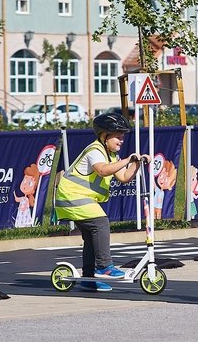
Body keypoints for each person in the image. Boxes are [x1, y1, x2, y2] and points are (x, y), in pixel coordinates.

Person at [54, 113, 146, 292]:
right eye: (118, 137)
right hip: (72, 197)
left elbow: (124, 177)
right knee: (101, 223)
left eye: (123, 137)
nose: (121, 141)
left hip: (81, 199)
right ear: (104, 136)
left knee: (90, 237)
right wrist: (128, 160)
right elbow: (103, 171)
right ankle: (104, 266)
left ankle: (89, 278)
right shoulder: (95, 151)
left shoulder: (111, 155)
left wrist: (137, 163)